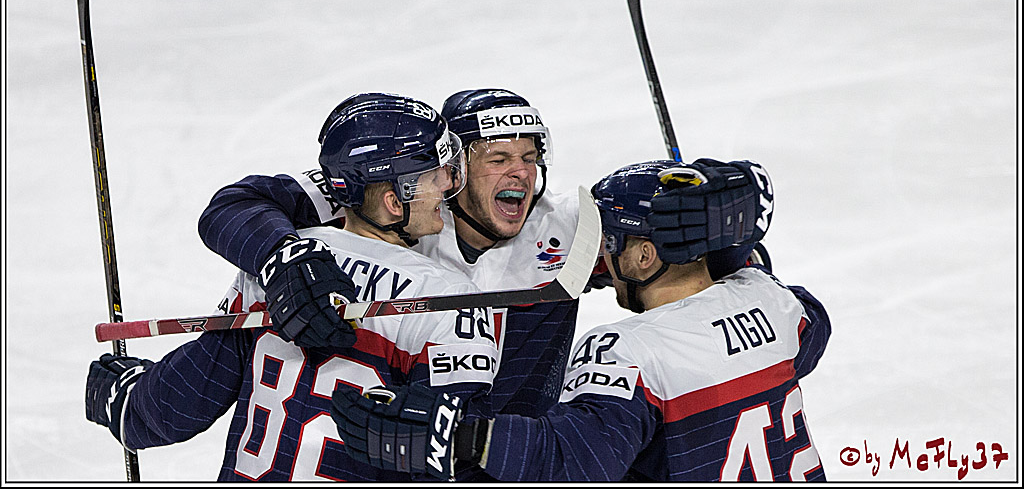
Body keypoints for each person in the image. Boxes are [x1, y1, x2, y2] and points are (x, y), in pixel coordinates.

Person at [195, 88, 760, 427]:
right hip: (398, 449)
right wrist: (282, 257)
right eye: (498, 159)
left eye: (529, 157)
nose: (521, 172)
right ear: (453, 167)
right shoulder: (401, 198)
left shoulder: (569, 225)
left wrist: (720, 250)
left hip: (516, 457)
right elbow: (238, 204)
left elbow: (679, 250)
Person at [331, 158, 831, 482]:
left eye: (611, 242)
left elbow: (573, 461)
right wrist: (733, 262)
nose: (603, 259)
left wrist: (462, 437)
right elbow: (816, 326)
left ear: (643, 257)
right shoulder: (775, 303)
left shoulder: (628, 352)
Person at [84, 93, 499, 481]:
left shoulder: (275, 269)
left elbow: (172, 408)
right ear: (395, 201)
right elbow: (462, 457)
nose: (448, 184)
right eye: (436, 175)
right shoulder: (449, 302)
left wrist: (127, 400)